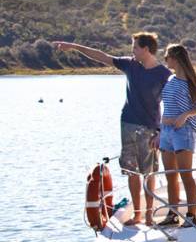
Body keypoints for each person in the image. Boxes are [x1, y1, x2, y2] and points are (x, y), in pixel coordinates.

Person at [53, 33, 170, 226]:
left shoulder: (163, 74)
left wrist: (161, 132)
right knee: (131, 172)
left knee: (148, 173)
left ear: (146, 49)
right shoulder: (131, 65)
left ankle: (150, 215)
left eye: (135, 48)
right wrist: (74, 46)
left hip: (150, 128)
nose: (132, 51)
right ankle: (138, 215)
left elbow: (171, 105)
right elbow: (101, 56)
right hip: (128, 124)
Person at [156, 44, 196, 227]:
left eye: (167, 57)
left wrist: (184, 115)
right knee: (171, 175)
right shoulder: (170, 80)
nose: (165, 60)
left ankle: (191, 215)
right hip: (166, 132)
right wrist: (159, 129)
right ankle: (172, 214)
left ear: (176, 58)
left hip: (184, 132)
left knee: (186, 174)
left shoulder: (192, 81)